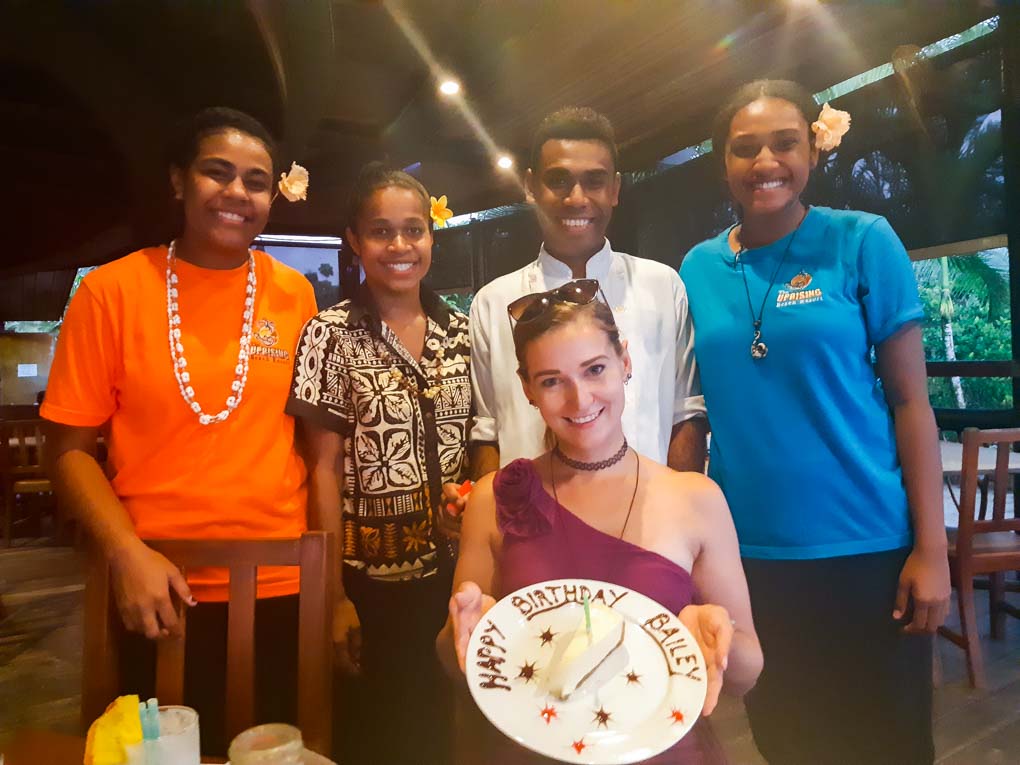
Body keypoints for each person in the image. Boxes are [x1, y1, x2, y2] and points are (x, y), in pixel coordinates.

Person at [679, 79, 950, 764]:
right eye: (745, 148)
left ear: (814, 150)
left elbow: (912, 403)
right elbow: (695, 412)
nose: (765, 160)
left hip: (869, 547)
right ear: (723, 164)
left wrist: (932, 548)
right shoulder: (700, 267)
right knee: (789, 738)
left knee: (887, 740)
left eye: (785, 142)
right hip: (754, 559)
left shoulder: (862, 241)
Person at [42, 107, 318, 754]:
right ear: (177, 181)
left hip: (281, 583)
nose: (236, 193)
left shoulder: (296, 296)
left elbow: (315, 443)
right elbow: (69, 450)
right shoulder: (111, 291)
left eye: (256, 180)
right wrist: (124, 553)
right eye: (215, 172)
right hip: (156, 584)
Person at [439, 285, 762, 764]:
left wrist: (717, 638)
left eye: (595, 370)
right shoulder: (494, 497)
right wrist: (461, 630)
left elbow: (746, 672)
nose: (579, 398)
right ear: (527, 388)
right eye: (551, 381)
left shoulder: (696, 499)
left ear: (624, 361)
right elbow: (454, 661)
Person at [287, 163, 471, 764]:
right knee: (374, 733)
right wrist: (334, 596)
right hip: (369, 582)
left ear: (431, 238)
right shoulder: (330, 334)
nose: (400, 246)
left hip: (454, 577)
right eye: (381, 231)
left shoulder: (462, 333)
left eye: (413, 230)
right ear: (354, 242)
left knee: (445, 729)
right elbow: (321, 469)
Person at [468, 107, 706, 479]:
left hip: (647, 524)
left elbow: (685, 413)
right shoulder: (494, 302)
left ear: (614, 189)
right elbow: (488, 430)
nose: (576, 198)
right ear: (531, 187)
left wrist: (681, 511)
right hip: (531, 526)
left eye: (594, 181)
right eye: (558, 180)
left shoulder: (662, 286)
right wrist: (486, 511)